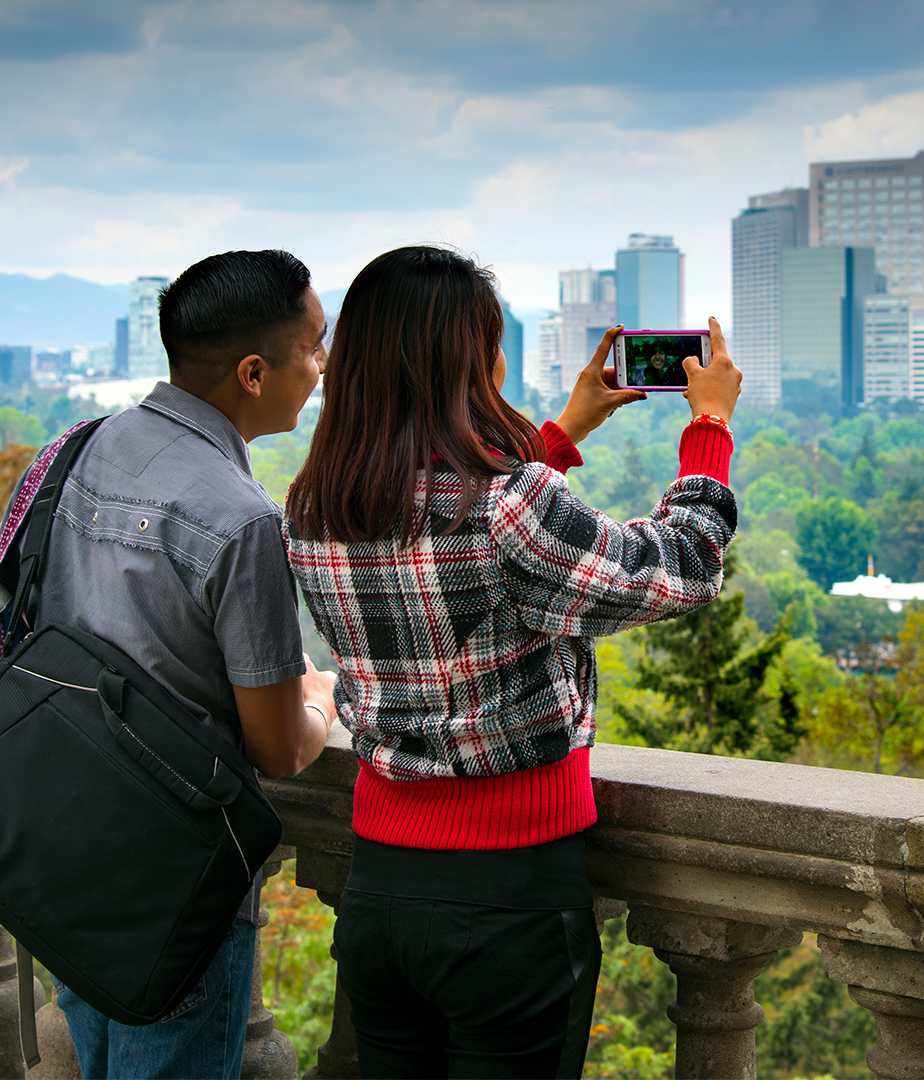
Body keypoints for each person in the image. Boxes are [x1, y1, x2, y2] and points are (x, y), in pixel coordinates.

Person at [284, 245, 742, 1079]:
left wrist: (563, 433)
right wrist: (708, 431)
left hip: (378, 886)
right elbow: (681, 566)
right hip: (509, 893)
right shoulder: (510, 505)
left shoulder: (315, 506)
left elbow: (464, 537)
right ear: (470, 362)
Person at [32, 249, 339, 1079]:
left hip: (60, 843)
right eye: (313, 344)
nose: (323, 365)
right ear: (252, 373)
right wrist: (319, 699)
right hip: (172, 880)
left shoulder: (78, 450)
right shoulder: (241, 520)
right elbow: (279, 749)